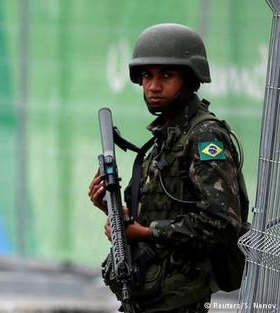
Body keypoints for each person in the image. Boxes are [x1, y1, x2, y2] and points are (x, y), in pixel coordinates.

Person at [88, 23, 247, 312]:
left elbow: (221, 224)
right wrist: (115, 213)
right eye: (147, 76)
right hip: (149, 296)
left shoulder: (204, 136)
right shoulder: (168, 136)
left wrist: (147, 233)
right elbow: (161, 208)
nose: (153, 86)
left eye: (166, 75)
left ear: (190, 79)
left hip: (182, 300)